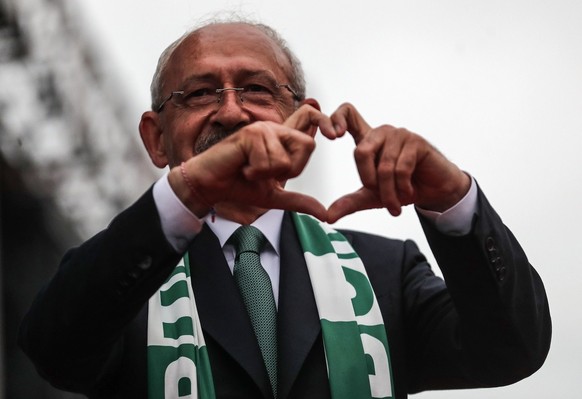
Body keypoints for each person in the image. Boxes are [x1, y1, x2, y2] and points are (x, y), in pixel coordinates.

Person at [19, 18, 551, 399]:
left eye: (255, 88)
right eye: (200, 93)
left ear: (304, 119)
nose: (231, 110)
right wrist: (190, 190)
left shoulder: (384, 273)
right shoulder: (120, 275)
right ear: (157, 140)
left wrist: (451, 198)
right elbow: (53, 349)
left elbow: (511, 350)